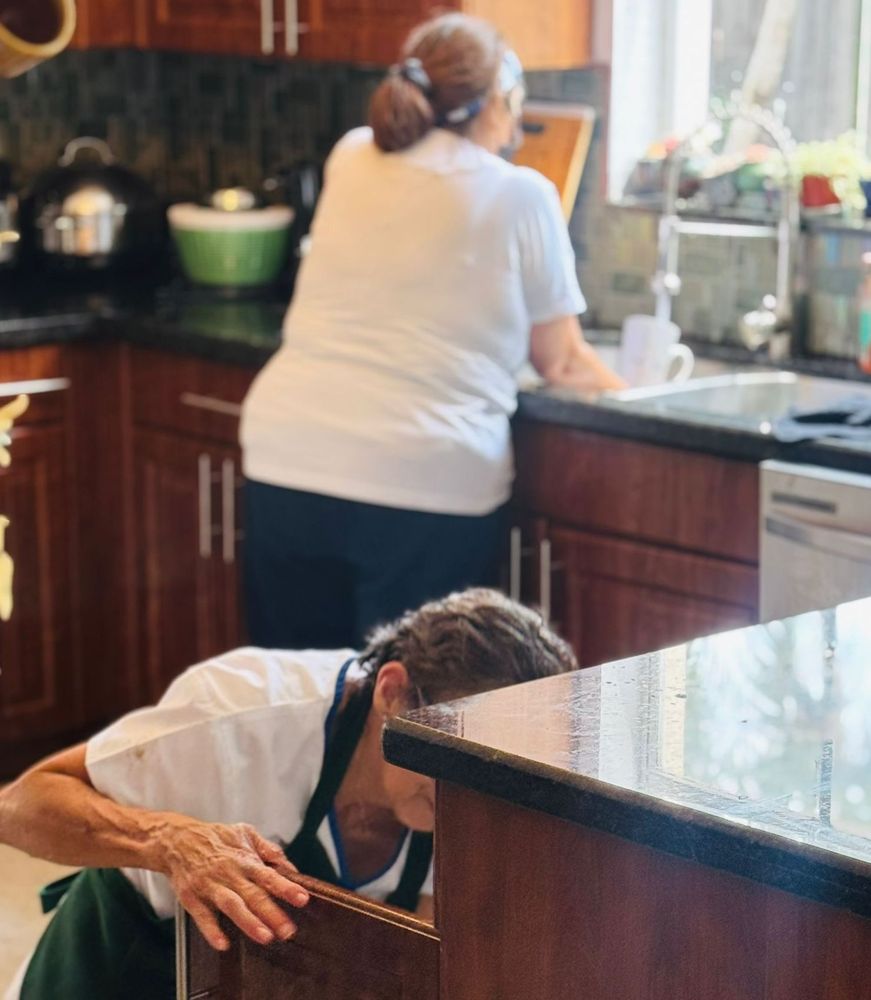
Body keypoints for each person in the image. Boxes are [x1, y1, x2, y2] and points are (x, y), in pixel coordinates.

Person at [239, 12, 624, 651]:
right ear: (499, 99)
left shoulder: (352, 153)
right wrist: (640, 399)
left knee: (300, 706)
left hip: (289, 460)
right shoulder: (524, 194)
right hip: (422, 482)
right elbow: (564, 362)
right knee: (407, 721)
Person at [0, 588, 576, 1000]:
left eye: (492, 770)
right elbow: (21, 804)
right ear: (393, 692)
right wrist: (167, 840)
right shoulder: (237, 714)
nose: (468, 794)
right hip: (121, 970)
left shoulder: (485, 806)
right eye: (453, 754)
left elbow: (427, 965)